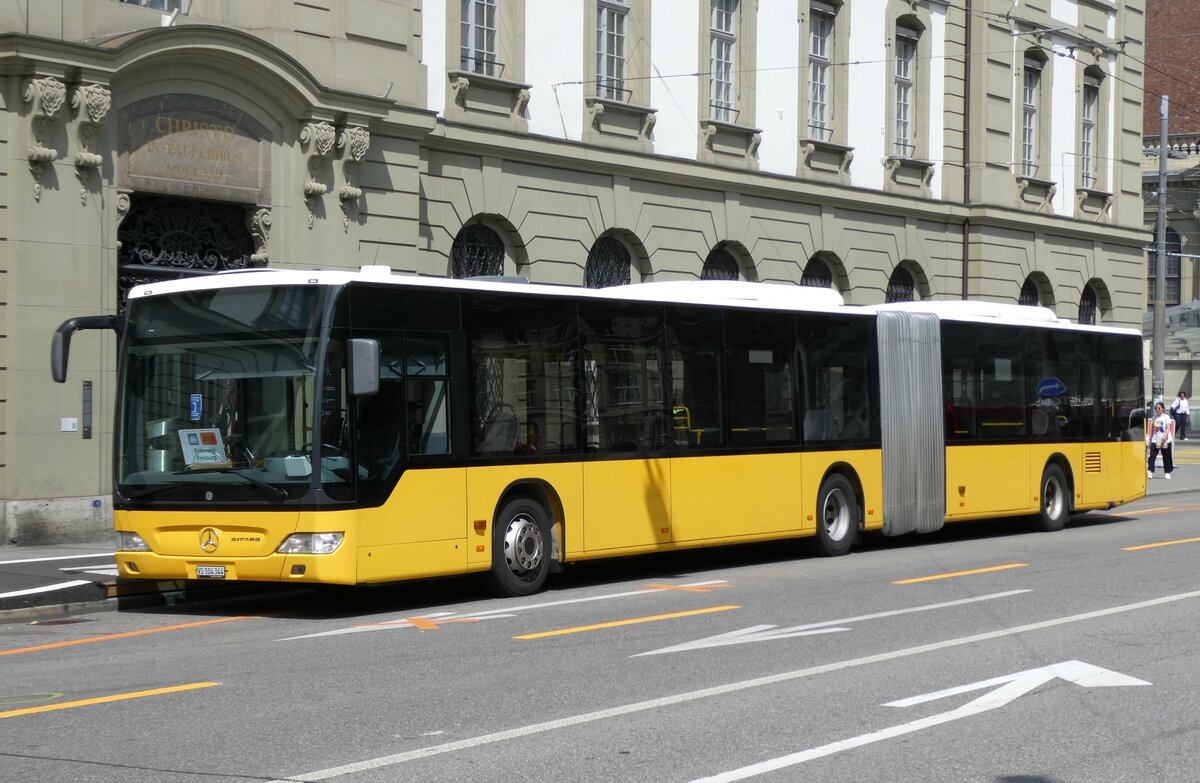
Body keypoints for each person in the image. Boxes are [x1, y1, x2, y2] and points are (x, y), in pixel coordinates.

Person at [1148, 401, 1175, 479]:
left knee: (1166, 456)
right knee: (1152, 455)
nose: (1157, 409)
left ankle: (1167, 472)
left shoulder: (1166, 417)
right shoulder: (1154, 417)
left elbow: (1168, 427)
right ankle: (1150, 471)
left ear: (1162, 408)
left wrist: (1164, 436)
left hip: (1165, 439)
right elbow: (1153, 429)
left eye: (1159, 408)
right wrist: (1150, 437)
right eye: (1156, 408)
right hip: (1155, 438)